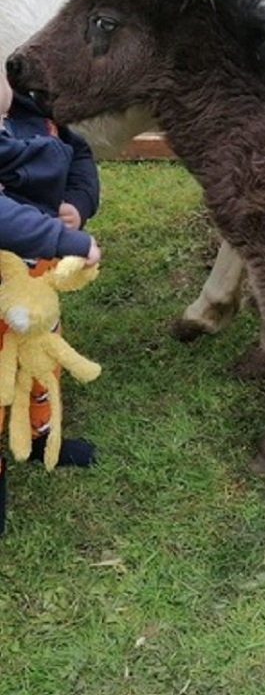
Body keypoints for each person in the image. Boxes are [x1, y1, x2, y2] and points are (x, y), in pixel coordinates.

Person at [0, 69, 101, 528]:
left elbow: (79, 153)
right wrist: (68, 242)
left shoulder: (34, 114)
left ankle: (42, 436)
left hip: (36, 285)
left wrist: (78, 204)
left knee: (42, 362)